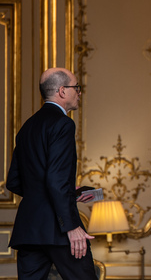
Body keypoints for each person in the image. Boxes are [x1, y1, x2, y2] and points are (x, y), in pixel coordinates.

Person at [7, 67, 96, 280]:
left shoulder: (27, 127)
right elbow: (55, 180)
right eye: (77, 88)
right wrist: (72, 226)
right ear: (63, 91)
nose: (79, 93)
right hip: (59, 230)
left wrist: (67, 191)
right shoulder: (63, 123)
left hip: (29, 230)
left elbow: (14, 181)